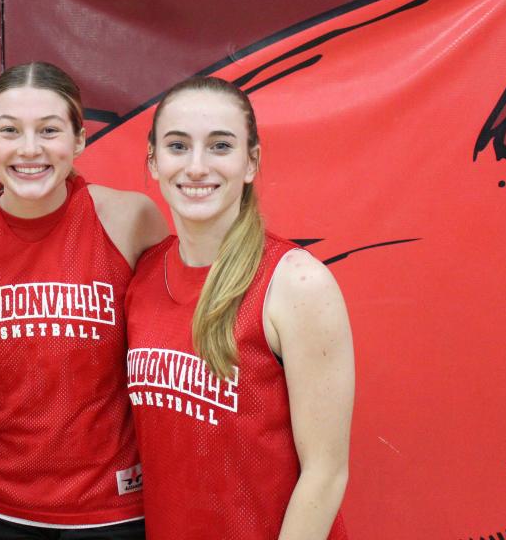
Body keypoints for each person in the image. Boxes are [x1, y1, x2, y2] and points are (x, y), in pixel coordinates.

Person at [0, 61, 168, 538]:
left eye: (50, 130)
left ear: (78, 140)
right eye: (10, 131)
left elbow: (165, 345)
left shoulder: (129, 218)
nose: (29, 149)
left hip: (112, 506)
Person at [126, 76, 354, 539]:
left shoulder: (295, 282)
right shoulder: (143, 275)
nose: (196, 166)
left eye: (220, 146)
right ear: (153, 160)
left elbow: (325, 474)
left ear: (251, 162)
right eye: (177, 145)